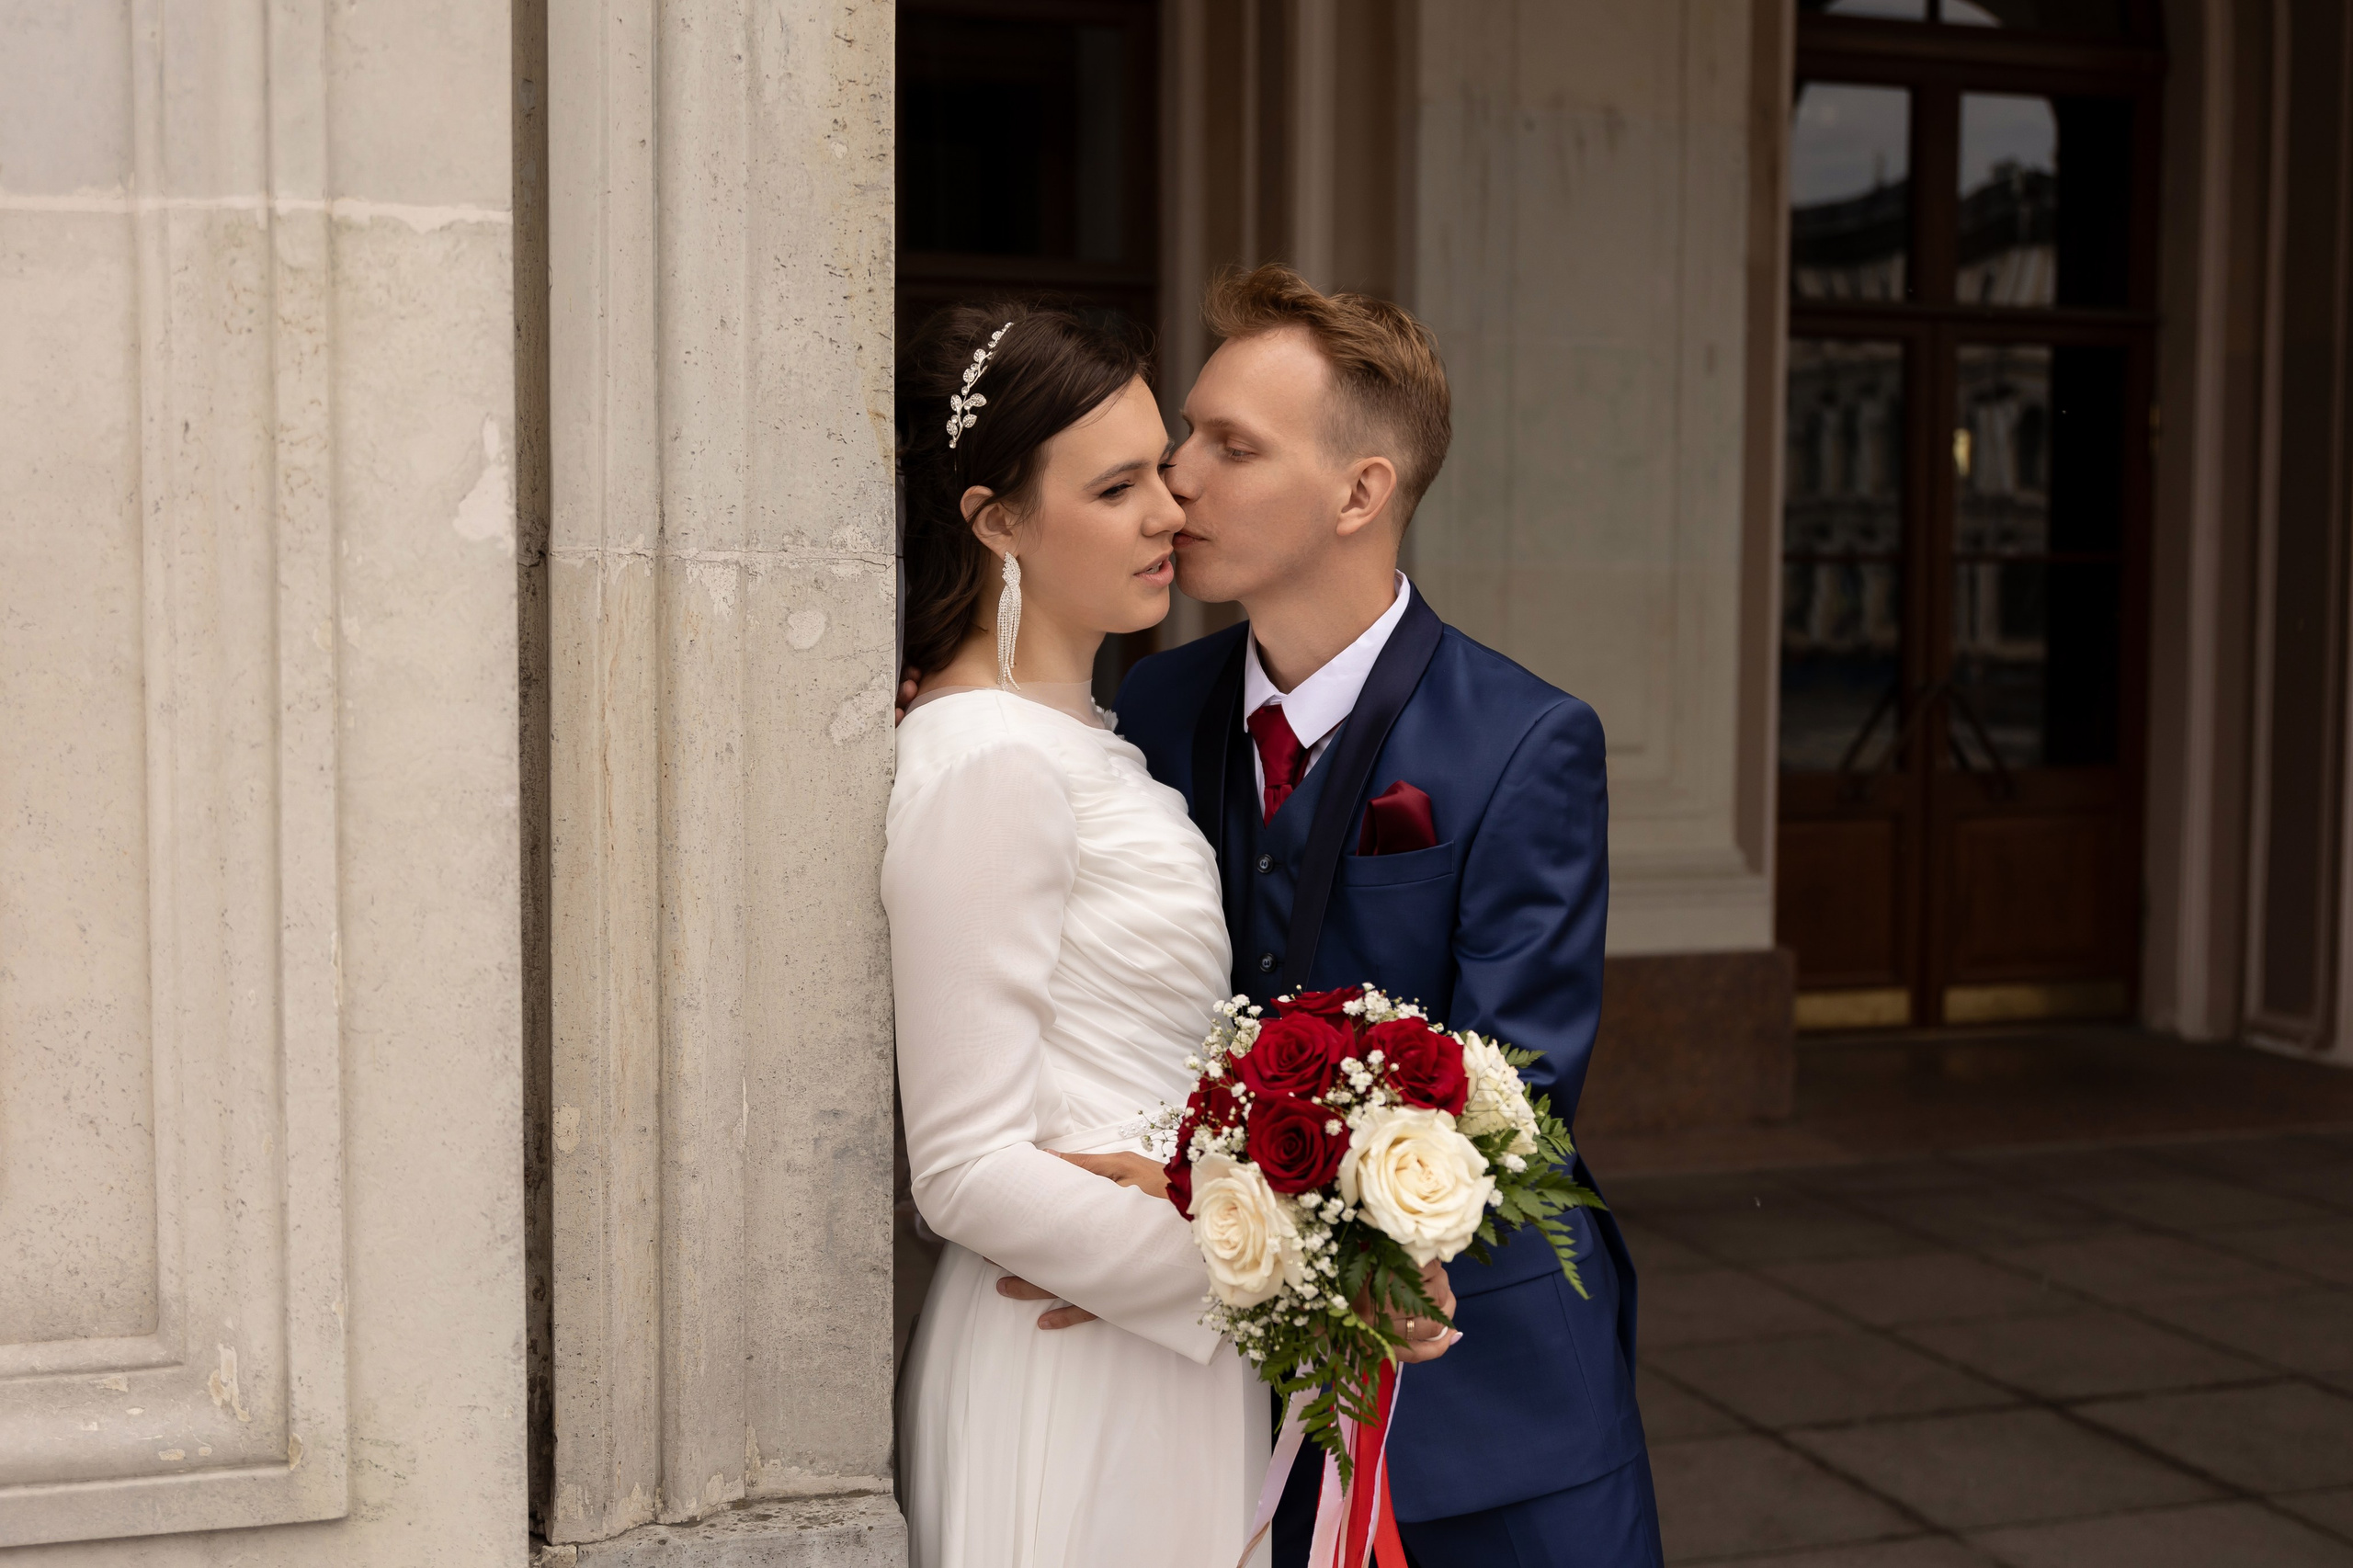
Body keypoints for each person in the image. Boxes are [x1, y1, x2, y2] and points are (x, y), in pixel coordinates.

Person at [883, 302, 1454, 1568]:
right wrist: (1280, 1274)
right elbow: (963, 1165)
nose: (1171, 508)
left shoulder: (1085, 726)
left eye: (1165, 465)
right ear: (997, 522)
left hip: (1153, 1332)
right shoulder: (988, 760)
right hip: (1078, 1356)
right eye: (1118, 485)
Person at [1112, 266, 1665, 1568]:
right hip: (1205, 1391)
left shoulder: (1525, 740)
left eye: (1232, 445)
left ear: (1361, 493)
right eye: (1187, 433)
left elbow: (1518, 1086)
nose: (1176, 478)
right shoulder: (1151, 709)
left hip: (1486, 1402)